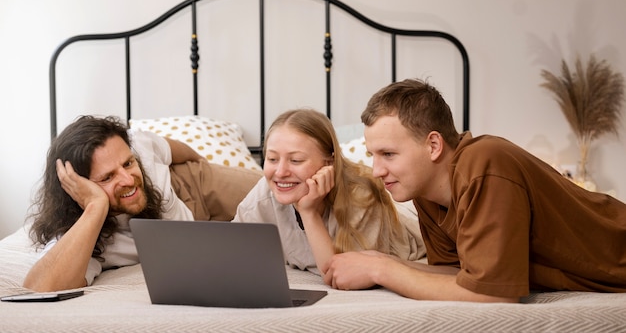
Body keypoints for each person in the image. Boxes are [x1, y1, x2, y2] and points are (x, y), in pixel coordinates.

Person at [323, 78, 626, 303]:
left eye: (388, 154)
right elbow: (459, 274)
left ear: (433, 145)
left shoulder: (485, 163)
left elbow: (493, 296)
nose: (377, 171)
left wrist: (380, 271)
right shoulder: (425, 193)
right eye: (373, 155)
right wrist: (382, 261)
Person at [24, 115, 262, 292]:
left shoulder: (137, 144)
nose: (128, 180)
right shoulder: (80, 234)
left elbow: (178, 150)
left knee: (279, 191)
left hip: (193, 185)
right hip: (191, 234)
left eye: (128, 164)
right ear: (78, 190)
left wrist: (207, 170)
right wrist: (96, 207)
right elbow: (38, 288)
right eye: (107, 177)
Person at [232, 108, 425, 276]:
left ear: (329, 162)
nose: (281, 172)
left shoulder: (361, 196)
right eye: (272, 159)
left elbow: (337, 275)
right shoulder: (265, 192)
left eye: (296, 160)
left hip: (409, 220)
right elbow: (228, 251)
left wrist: (309, 212)